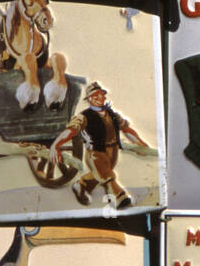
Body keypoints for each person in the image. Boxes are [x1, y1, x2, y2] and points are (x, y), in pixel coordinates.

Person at [50, 79, 147, 210]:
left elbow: (126, 129)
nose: (99, 97)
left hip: (112, 152)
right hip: (96, 152)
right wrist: (56, 145)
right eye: (95, 96)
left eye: (101, 94)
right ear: (89, 99)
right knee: (107, 177)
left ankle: (81, 184)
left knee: (99, 175)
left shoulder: (113, 114)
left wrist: (140, 144)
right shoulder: (84, 117)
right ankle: (120, 198)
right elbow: (71, 131)